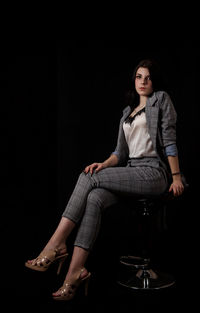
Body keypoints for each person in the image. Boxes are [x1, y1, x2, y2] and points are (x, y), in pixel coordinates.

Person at [25, 59, 185, 301]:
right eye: (139, 77)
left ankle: (55, 244)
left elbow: (170, 140)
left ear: (155, 81)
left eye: (148, 77)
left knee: (87, 179)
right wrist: (104, 164)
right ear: (134, 80)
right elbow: (119, 154)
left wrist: (175, 176)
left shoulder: (160, 100)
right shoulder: (126, 114)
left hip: (154, 173)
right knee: (94, 195)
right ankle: (75, 271)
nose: (143, 81)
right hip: (133, 171)